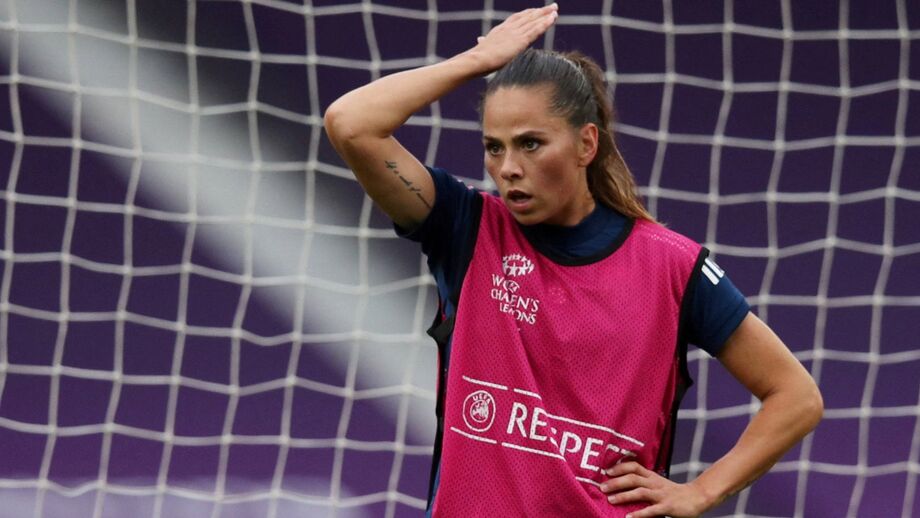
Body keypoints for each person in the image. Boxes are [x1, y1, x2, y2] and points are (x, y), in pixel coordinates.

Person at [323, 4, 823, 517]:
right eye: (494, 147)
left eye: (530, 144)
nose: (508, 168)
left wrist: (701, 491)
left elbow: (796, 396)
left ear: (586, 144)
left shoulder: (671, 266)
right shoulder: (465, 229)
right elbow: (351, 124)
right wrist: (475, 61)